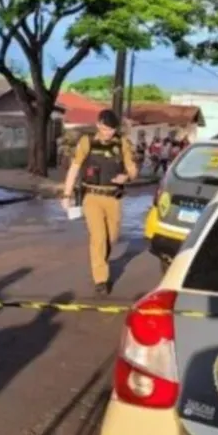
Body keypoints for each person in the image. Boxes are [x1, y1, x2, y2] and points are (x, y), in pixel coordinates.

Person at [61, 109, 138, 295]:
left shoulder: (123, 144)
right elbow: (75, 167)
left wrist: (126, 177)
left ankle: (101, 260)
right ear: (98, 125)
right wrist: (66, 195)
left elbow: (133, 170)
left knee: (111, 238)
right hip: (92, 197)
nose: (107, 133)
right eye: (104, 129)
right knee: (98, 238)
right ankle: (101, 279)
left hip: (113, 198)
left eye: (111, 130)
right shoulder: (87, 142)